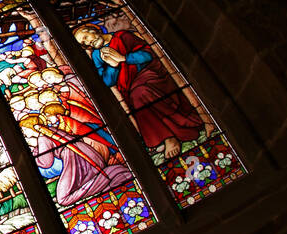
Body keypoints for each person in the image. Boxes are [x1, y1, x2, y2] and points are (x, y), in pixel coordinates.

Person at [73, 24, 206, 158]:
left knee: (140, 94)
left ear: (93, 30)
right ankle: (162, 137)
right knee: (137, 96)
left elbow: (148, 54)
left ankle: (169, 137)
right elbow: (107, 81)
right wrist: (113, 66)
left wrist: (124, 58)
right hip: (128, 86)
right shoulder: (97, 55)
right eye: (83, 43)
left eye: (85, 37)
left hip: (151, 73)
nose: (87, 42)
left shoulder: (123, 36)